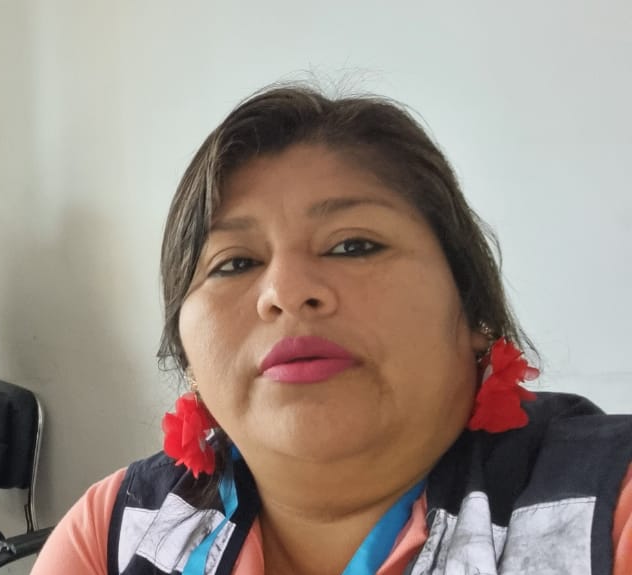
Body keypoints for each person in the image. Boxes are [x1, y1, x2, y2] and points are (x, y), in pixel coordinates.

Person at [34, 85, 632, 574]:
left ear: (473, 305)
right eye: (235, 263)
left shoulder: (607, 512)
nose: (286, 291)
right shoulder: (116, 533)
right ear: (187, 354)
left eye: (353, 245)